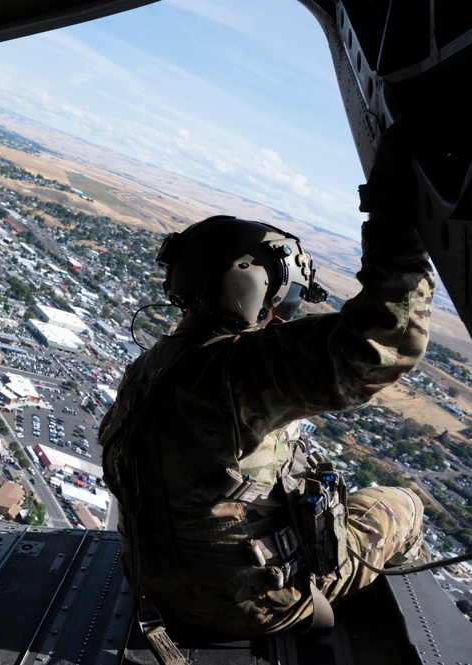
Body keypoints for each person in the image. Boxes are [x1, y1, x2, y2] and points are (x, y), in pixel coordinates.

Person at [100, 130, 432, 635]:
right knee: (401, 504)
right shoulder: (242, 371)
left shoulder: (148, 368)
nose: (282, 315)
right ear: (251, 288)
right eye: (284, 299)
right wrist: (392, 220)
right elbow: (383, 341)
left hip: (152, 583)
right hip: (246, 604)